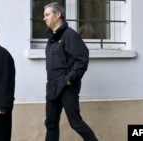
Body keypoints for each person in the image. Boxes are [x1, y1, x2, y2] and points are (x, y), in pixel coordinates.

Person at [43, 2, 98, 141]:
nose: (44, 18)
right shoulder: (52, 38)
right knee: (51, 124)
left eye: (47, 14)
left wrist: (69, 80)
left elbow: (82, 59)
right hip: (52, 87)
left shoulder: (70, 35)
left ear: (58, 15)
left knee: (76, 123)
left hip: (67, 88)